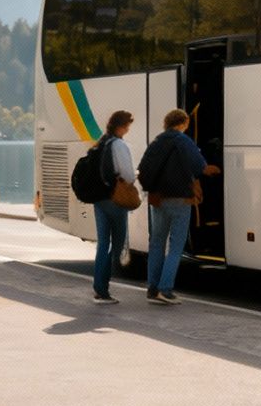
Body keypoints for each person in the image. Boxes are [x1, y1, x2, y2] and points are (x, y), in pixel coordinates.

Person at [136, 108, 217, 305]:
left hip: (157, 199)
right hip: (180, 198)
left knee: (156, 243)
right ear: (183, 123)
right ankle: (165, 290)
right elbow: (199, 166)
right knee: (175, 246)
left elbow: (143, 168)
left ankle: (152, 288)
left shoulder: (156, 142)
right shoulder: (183, 141)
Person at [89, 110, 136, 304]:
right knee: (117, 244)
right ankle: (103, 289)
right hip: (115, 200)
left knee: (102, 243)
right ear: (120, 126)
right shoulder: (119, 145)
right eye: (126, 126)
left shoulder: (101, 142)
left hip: (99, 199)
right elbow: (129, 175)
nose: (127, 129)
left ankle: (99, 289)